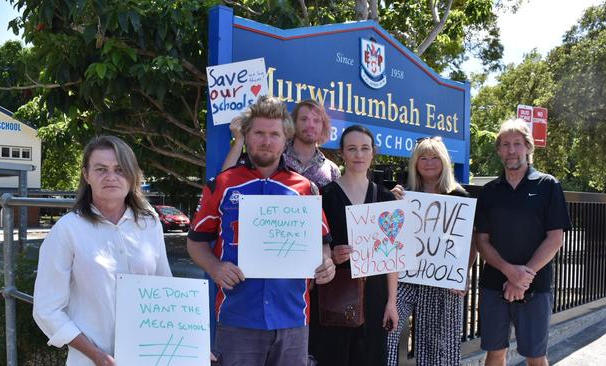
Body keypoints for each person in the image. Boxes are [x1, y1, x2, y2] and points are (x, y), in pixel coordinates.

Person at [187, 95, 336, 366]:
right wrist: (216, 268)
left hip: (293, 318)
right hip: (237, 318)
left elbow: (323, 243)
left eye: (274, 134)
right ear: (247, 135)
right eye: (259, 133)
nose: (266, 141)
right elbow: (195, 242)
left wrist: (327, 262)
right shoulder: (221, 185)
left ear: (285, 138)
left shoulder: (305, 188)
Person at [33, 135, 172, 366]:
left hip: (150, 357)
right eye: (101, 169)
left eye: (120, 169)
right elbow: (47, 310)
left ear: (132, 175)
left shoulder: (150, 224)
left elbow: (165, 289)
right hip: (90, 361)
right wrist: (98, 356)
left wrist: (190, 343)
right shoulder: (68, 230)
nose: (111, 177)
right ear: (86, 175)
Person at [475, 119, 571, 366]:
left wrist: (523, 278)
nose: (511, 150)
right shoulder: (489, 192)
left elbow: (555, 238)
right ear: (498, 150)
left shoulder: (548, 185)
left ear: (528, 147)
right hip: (494, 284)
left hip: (536, 286)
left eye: (517, 143)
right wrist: (509, 272)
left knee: (535, 356)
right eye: (505, 144)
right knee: (494, 353)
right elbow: (482, 241)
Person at [309, 125, 399, 366]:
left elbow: (393, 258)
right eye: (352, 149)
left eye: (364, 148)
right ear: (342, 154)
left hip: (375, 296)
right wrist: (331, 256)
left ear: (372, 153)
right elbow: (314, 249)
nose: (359, 155)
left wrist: (392, 302)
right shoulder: (325, 196)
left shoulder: (386, 198)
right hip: (336, 295)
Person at [385, 136, 476, 366]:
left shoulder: (459, 196)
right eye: (423, 157)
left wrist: (463, 274)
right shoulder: (403, 193)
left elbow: (470, 240)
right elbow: (387, 233)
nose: (429, 162)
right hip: (404, 278)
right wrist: (391, 202)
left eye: (434, 157)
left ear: (444, 161)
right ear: (415, 162)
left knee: (438, 350)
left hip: (442, 281)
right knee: (386, 334)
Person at [221, 98, 340, 188]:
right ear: (293, 123)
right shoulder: (271, 152)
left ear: (323, 126)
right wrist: (239, 141)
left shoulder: (332, 170)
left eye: (316, 120)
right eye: (304, 119)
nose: (310, 125)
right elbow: (225, 182)